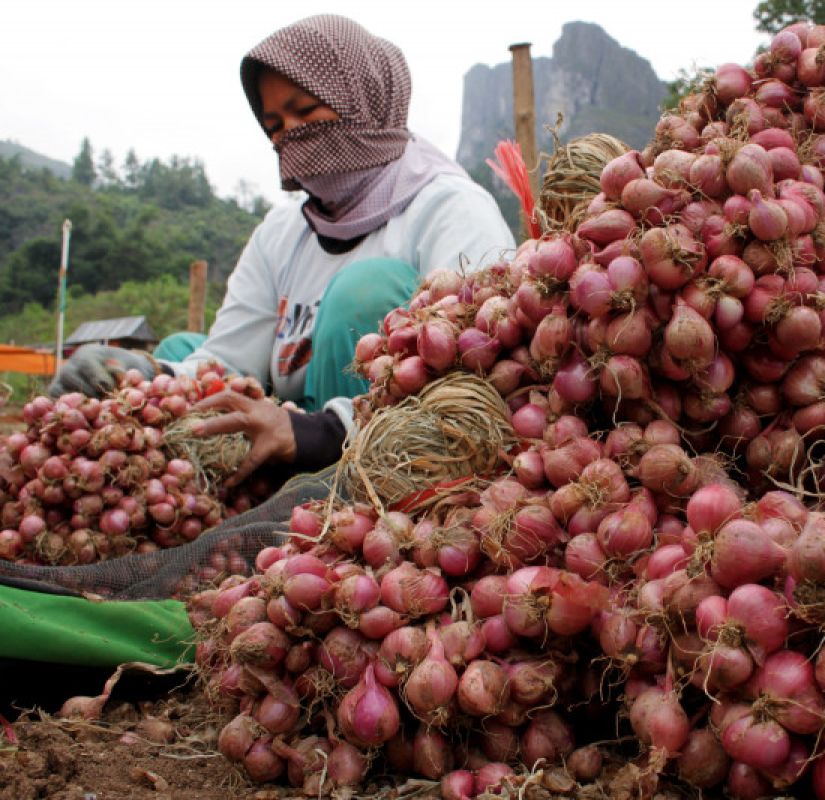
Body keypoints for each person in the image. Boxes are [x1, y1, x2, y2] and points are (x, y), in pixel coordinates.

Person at [50, 14, 515, 484]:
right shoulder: (282, 231)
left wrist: (322, 431)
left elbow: (479, 371)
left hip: (402, 454)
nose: (288, 136)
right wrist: (143, 373)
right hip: (297, 423)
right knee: (177, 350)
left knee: (365, 289)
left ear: (363, 101)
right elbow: (228, 359)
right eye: (274, 124)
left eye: (305, 112)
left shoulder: (450, 207)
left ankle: (344, 486)